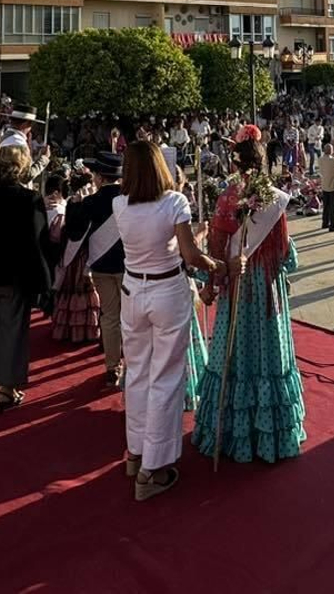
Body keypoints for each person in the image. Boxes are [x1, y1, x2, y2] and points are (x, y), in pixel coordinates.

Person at [116, 140, 226, 500]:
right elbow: (191, 255)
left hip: (133, 290)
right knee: (165, 377)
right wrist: (216, 265)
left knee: (138, 373)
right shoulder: (174, 202)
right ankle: (153, 467)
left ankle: (136, 452)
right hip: (165, 290)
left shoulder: (120, 203)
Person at [192, 127, 306, 464]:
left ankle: (232, 433)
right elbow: (284, 252)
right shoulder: (273, 195)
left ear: (236, 161)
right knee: (269, 349)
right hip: (266, 284)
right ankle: (272, 436)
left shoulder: (229, 195)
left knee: (236, 350)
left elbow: (216, 244)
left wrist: (211, 283)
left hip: (239, 285)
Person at [0, 137, 61, 412]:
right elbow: (38, 243)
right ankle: (6, 389)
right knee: (11, 332)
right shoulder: (29, 200)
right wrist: (45, 281)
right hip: (12, 278)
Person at [63, 152, 128, 386]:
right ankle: (133, 364)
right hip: (128, 266)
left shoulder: (90, 201)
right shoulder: (130, 199)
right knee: (130, 318)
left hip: (101, 266)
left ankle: (112, 366)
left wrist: (73, 205)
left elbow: (73, 232)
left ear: (100, 177)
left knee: (109, 317)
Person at [48, 171, 101, 345]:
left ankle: (67, 329)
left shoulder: (71, 202)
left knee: (70, 290)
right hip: (84, 253)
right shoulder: (87, 202)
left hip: (73, 254)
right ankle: (85, 330)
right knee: (84, 290)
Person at [316, 142, 334, 232]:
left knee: (326, 206)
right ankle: (332, 225)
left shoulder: (320, 159)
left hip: (325, 186)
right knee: (333, 207)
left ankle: (325, 222)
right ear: (331, 151)